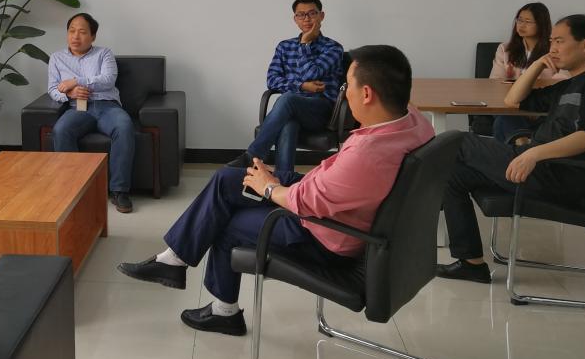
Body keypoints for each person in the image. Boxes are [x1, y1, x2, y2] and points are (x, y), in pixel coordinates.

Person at [118, 45, 433, 335]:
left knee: (226, 222)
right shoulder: (414, 122)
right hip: (330, 197)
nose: (343, 93)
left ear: (366, 94)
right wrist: (271, 182)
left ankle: (223, 311)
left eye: (346, 85)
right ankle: (174, 259)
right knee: (227, 179)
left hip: (321, 233)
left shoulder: (367, 155)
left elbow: (303, 203)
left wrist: (269, 188)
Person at [438, 15, 585, 284]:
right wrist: (536, 66)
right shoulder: (569, 84)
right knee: (454, 174)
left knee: (457, 141)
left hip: (562, 177)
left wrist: (533, 153)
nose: (552, 48)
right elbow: (513, 100)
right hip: (546, 170)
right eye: (551, 41)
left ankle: (411, 202)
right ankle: (471, 263)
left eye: (559, 41)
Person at [227, 0, 344, 177]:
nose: (307, 19)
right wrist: (302, 86)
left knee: (287, 98)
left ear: (321, 16)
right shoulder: (284, 47)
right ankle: (284, 179)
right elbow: (272, 80)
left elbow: (312, 73)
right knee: (289, 121)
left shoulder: (333, 48)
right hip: (290, 109)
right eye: (301, 15)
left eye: (312, 13)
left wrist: (305, 44)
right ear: (295, 19)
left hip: (320, 110)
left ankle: (252, 156)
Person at [48, 12, 137, 214]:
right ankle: (73, 190)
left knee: (124, 126)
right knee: (61, 130)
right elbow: (53, 89)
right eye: (71, 31)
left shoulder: (104, 54)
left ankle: (120, 191)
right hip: (77, 108)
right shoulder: (56, 58)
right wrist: (69, 93)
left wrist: (76, 81)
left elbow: (108, 80)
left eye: (82, 32)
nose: (75, 36)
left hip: (107, 106)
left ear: (93, 36)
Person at [488, 2, 568, 142]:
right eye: (519, 20)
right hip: (509, 104)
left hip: (540, 106)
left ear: (541, 24)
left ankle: (521, 145)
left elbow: (563, 81)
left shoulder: (554, 49)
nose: (521, 25)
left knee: (504, 121)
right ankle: (523, 145)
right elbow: (495, 81)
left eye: (527, 21)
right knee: (505, 117)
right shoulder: (505, 49)